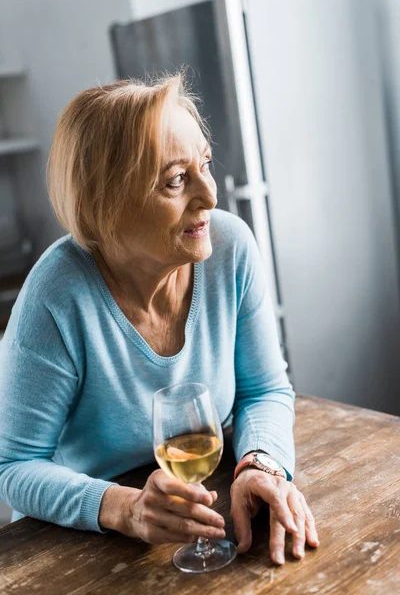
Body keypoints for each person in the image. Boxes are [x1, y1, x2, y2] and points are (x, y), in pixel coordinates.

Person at [0, 74, 319, 565]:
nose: (210, 196)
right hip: (82, 544)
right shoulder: (55, 294)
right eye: (176, 180)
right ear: (106, 206)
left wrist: (262, 464)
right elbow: (16, 468)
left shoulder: (230, 248)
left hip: (211, 500)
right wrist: (123, 509)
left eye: (205, 165)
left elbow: (265, 389)